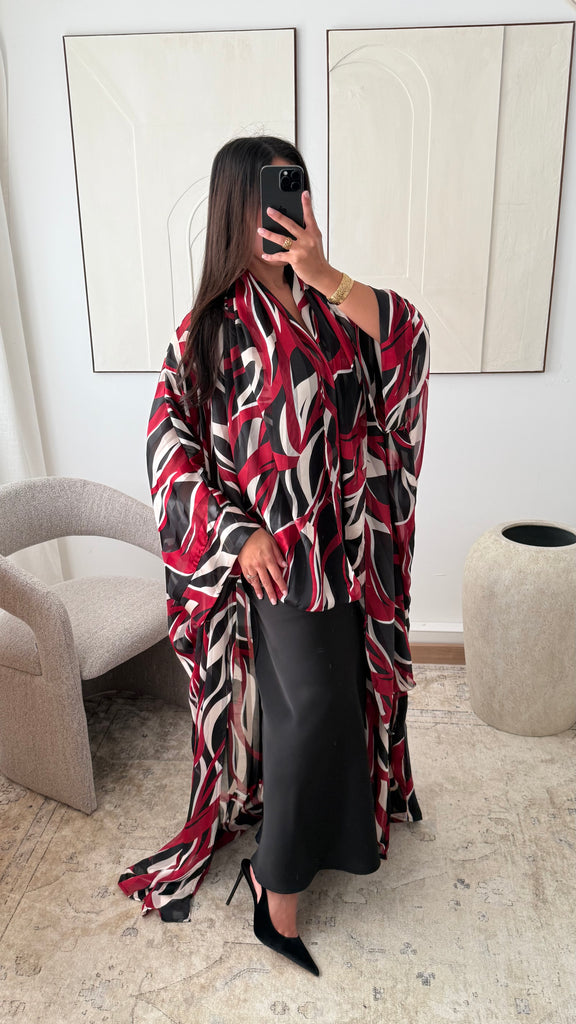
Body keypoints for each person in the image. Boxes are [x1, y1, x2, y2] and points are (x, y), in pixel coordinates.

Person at [117, 135, 430, 977]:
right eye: (268, 198)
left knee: (339, 698)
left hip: (350, 548)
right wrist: (237, 534)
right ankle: (275, 890)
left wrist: (327, 274)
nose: (286, 212)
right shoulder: (209, 329)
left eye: (294, 191)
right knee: (310, 708)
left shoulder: (327, 301)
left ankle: (329, 845)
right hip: (276, 561)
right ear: (237, 209)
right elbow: (169, 450)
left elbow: (408, 343)